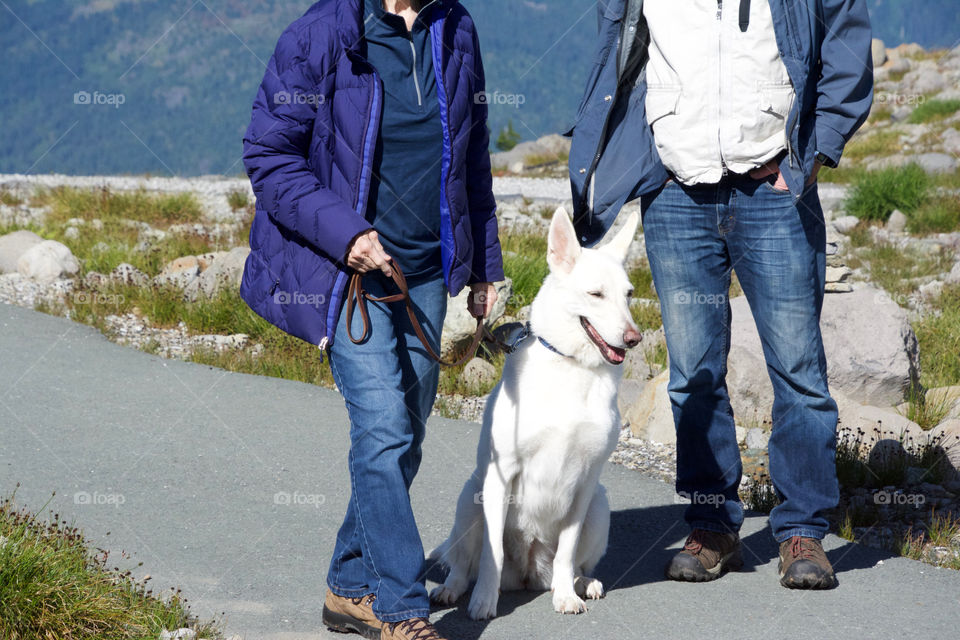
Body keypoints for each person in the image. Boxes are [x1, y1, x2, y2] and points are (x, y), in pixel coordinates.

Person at [570, 0, 873, 589]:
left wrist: (816, 150)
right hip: (676, 192)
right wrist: (641, 159)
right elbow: (613, 52)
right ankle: (712, 526)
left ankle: (802, 530)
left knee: (799, 372)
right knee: (692, 374)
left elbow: (845, 35)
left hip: (775, 187)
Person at [239, 0, 503, 637]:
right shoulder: (320, 35)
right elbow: (269, 157)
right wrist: (349, 236)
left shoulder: (455, 27)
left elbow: (472, 155)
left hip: (427, 274)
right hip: (347, 274)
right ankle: (401, 608)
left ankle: (347, 585)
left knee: (404, 439)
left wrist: (483, 266)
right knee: (383, 429)